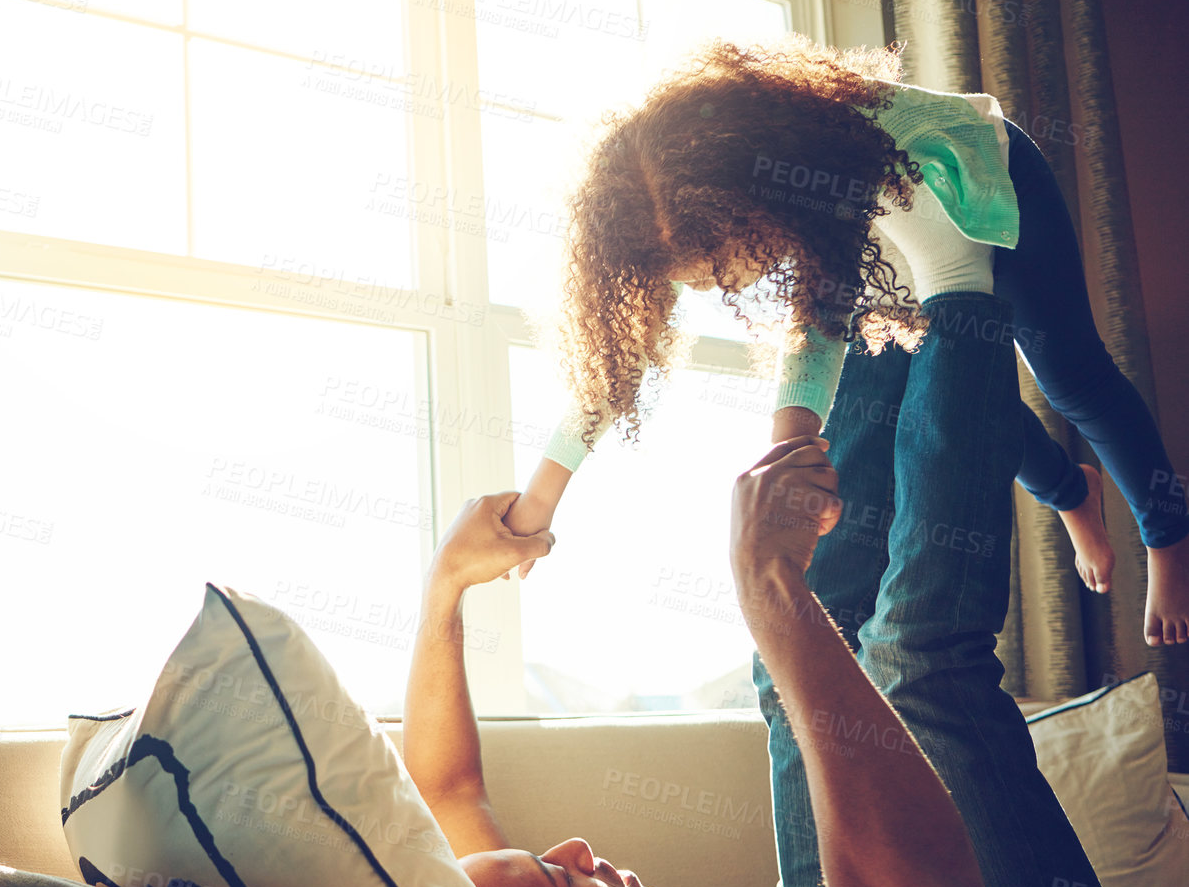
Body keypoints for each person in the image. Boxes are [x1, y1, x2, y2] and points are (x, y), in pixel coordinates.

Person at [406, 369, 1161, 887]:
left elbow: (449, 791)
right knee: (916, 661)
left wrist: (446, 585)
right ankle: (962, 295)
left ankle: (875, 312)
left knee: (789, 670)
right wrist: (764, 583)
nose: (570, 846)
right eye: (555, 875)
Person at [502, 38, 1189, 649]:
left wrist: (789, 447)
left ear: (748, 202)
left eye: (714, 271)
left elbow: (822, 329)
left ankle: (1169, 538)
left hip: (970, 188)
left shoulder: (852, 154)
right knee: (940, 393)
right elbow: (614, 370)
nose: (709, 288)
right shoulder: (678, 220)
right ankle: (1072, 493)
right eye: (692, 279)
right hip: (891, 242)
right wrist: (540, 500)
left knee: (1069, 378)